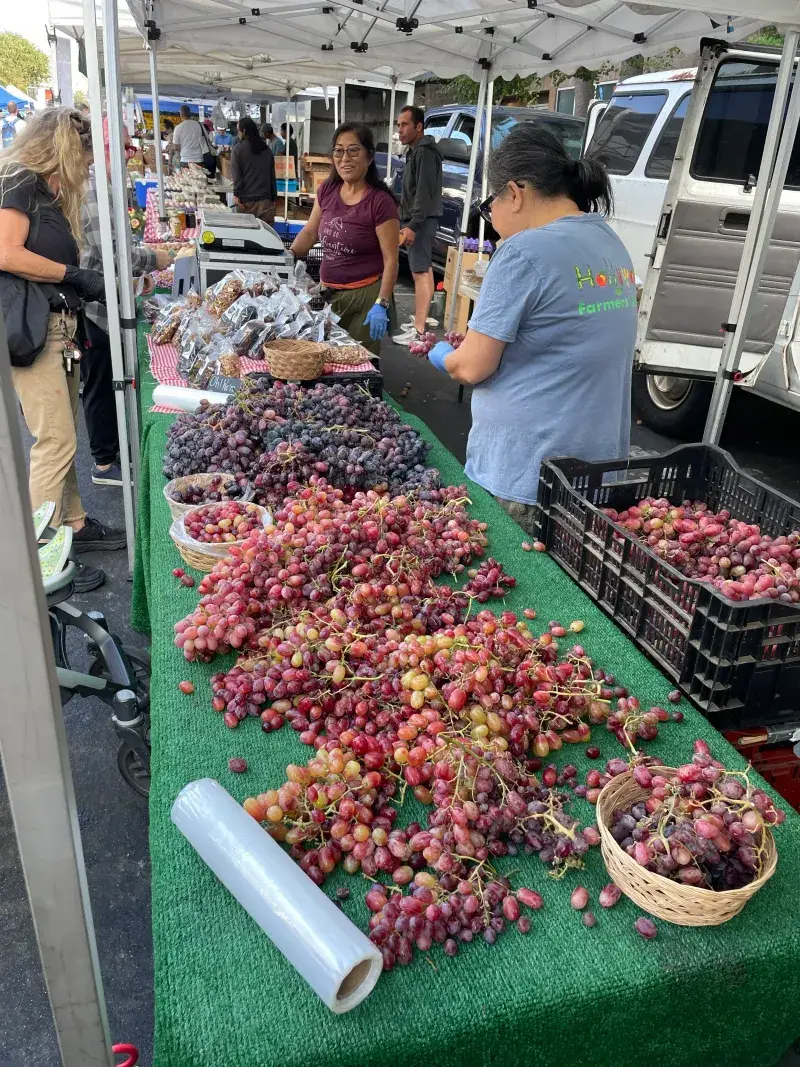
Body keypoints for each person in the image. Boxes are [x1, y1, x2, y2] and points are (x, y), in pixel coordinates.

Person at [421, 123, 637, 529]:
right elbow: (562, 337)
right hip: (596, 475)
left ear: (515, 192)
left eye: (490, 205)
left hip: (528, 475)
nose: (492, 219)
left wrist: (444, 354)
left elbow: (471, 367)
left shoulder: (523, 251)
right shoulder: (608, 240)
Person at [0, 108, 127, 592]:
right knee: (54, 441)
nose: (87, 168)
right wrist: (73, 275)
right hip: (35, 330)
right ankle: (39, 562)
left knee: (62, 435)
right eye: (84, 157)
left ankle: (74, 522)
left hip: (58, 325)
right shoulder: (17, 181)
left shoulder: (43, 190)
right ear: (64, 149)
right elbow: (6, 252)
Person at [80, 133, 172, 486]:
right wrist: (152, 259)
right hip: (94, 303)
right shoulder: (93, 188)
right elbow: (110, 249)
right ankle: (104, 463)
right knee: (101, 379)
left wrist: (136, 277)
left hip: (104, 294)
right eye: (126, 149)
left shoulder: (102, 185)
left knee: (105, 377)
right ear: (106, 148)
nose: (131, 156)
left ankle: (113, 450)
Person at [290, 123, 398, 356]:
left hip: (363, 300)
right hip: (327, 295)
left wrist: (381, 303)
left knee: (358, 362)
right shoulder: (328, 190)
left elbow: (391, 259)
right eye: (338, 151)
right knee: (325, 358)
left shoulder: (380, 202)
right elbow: (310, 232)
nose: (345, 158)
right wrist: (289, 255)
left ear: (369, 157)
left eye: (353, 150)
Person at [392, 105, 443, 345]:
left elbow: (423, 193)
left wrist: (412, 224)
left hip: (421, 221)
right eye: (398, 125)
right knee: (426, 271)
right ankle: (421, 323)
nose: (400, 130)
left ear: (419, 126)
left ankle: (419, 331)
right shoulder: (416, 152)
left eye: (404, 124)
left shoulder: (424, 153)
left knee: (420, 273)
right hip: (421, 219)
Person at [230, 116, 277, 224]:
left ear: (244, 131)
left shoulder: (238, 150)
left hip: (247, 203)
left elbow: (237, 177)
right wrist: (274, 198)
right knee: (266, 233)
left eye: (238, 131)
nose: (238, 134)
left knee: (247, 233)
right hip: (266, 202)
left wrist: (236, 194)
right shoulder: (266, 149)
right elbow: (272, 176)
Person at [170, 105, 207, 169]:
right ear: (190, 114)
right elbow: (206, 140)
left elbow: (176, 147)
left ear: (180, 115)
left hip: (185, 160)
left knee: (187, 176)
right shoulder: (200, 125)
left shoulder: (178, 128)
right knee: (200, 175)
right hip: (199, 159)